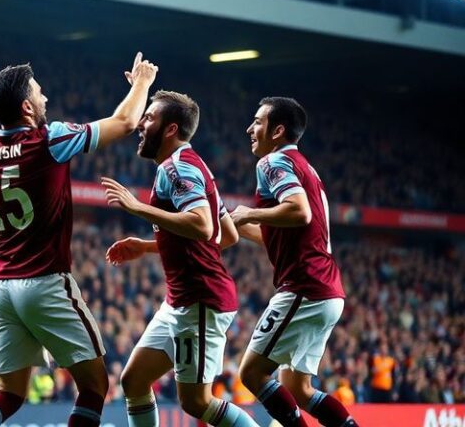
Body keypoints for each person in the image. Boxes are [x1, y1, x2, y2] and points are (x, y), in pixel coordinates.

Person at [0, 53, 158, 427]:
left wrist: (11, 197)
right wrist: (142, 84)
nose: (45, 98)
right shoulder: (49, 139)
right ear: (25, 106)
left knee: (8, 393)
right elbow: (126, 121)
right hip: (44, 281)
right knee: (95, 385)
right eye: (39, 93)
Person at [100, 91, 258, 427]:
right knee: (134, 381)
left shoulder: (177, 170)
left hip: (200, 301)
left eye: (150, 117)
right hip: (179, 301)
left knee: (197, 402)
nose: (142, 123)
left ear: (170, 129)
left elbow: (202, 225)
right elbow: (224, 235)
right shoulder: (191, 165)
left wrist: (138, 207)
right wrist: (146, 246)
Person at [230, 97, 357, 427]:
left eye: (257, 121)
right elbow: (286, 231)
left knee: (252, 373)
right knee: (298, 388)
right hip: (328, 291)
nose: (250, 128)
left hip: (305, 288)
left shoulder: (271, 163)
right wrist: (241, 225)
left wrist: (249, 212)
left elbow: (300, 211)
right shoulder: (305, 167)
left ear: (278, 130)